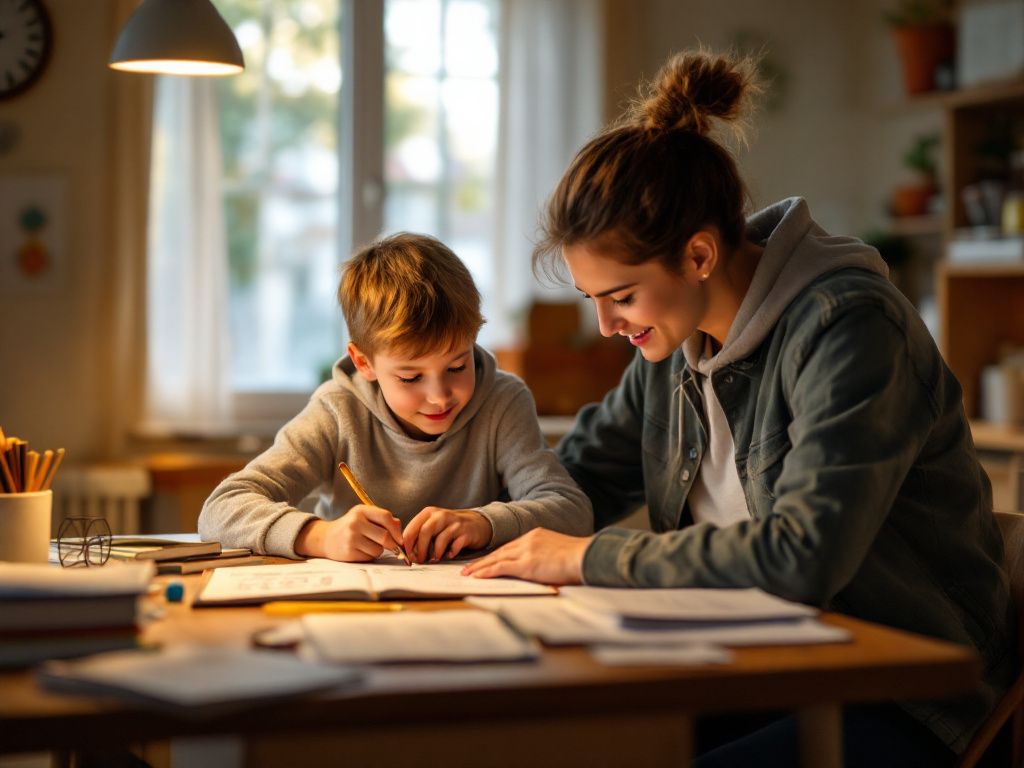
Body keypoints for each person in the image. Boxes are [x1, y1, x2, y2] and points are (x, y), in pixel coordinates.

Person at [463, 49, 1016, 766]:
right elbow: (579, 478)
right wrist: (474, 519)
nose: (606, 327)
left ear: (698, 257)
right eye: (591, 299)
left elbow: (802, 554)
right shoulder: (676, 342)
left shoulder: (849, 328)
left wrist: (588, 558)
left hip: (898, 693)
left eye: (621, 296)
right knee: (550, 740)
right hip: (753, 665)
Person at [199, 233, 591, 564]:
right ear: (364, 362)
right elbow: (221, 509)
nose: (439, 397)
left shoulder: (503, 402)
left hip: (466, 607)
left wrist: (484, 523)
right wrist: (319, 537)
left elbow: (572, 511)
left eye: (458, 366)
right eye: (410, 376)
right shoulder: (337, 409)